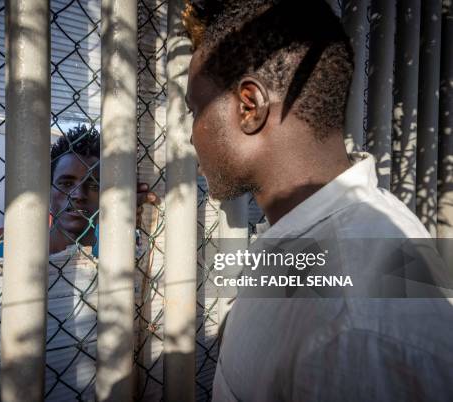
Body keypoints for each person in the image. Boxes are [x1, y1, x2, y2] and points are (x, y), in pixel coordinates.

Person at [182, 0, 453, 401]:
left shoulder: (357, 326)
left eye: (195, 110)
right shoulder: (313, 236)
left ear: (249, 107)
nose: (191, 137)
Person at [49, 124, 158, 255]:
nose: (78, 195)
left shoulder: (118, 254)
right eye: (66, 184)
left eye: (93, 186)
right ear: (49, 191)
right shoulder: (23, 252)